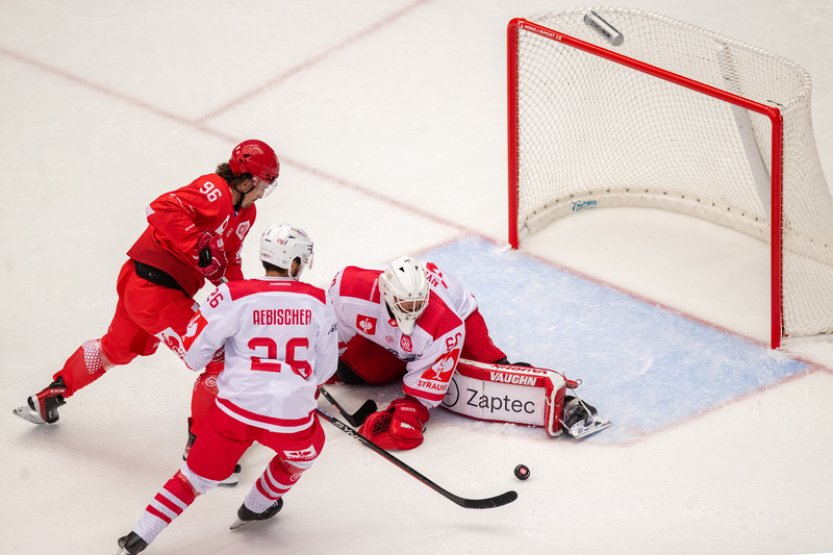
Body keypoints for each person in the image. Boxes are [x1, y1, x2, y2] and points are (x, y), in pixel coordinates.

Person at [14, 139, 280, 473]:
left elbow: (227, 260)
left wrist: (240, 298)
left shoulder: (246, 213)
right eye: (262, 188)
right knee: (220, 357)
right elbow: (160, 208)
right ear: (245, 181)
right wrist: (196, 246)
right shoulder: (214, 190)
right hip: (157, 290)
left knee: (115, 349)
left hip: (144, 287)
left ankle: (48, 396)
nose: (261, 196)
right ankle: (203, 456)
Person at [116, 223, 338, 555]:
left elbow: (194, 356)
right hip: (290, 418)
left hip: (235, 411)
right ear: (293, 262)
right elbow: (325, 370)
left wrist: (230, 351)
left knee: (193, 479)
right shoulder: (319, 301)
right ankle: (257, 504)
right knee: (305, 453)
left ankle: (138, 537)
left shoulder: (232, 295)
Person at [327, 255, 511, 450]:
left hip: (461, 318)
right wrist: (318, 365)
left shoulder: (444, 321)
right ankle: (412, 358)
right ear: (387, 293)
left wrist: (412, 408)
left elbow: (425, 388)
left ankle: (497, 361)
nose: (412, 309)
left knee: (491, 367)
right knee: (349, 372)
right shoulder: (347, 291)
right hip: (399, 329)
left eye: (417, 303)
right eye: (406, 303)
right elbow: (330, 330)